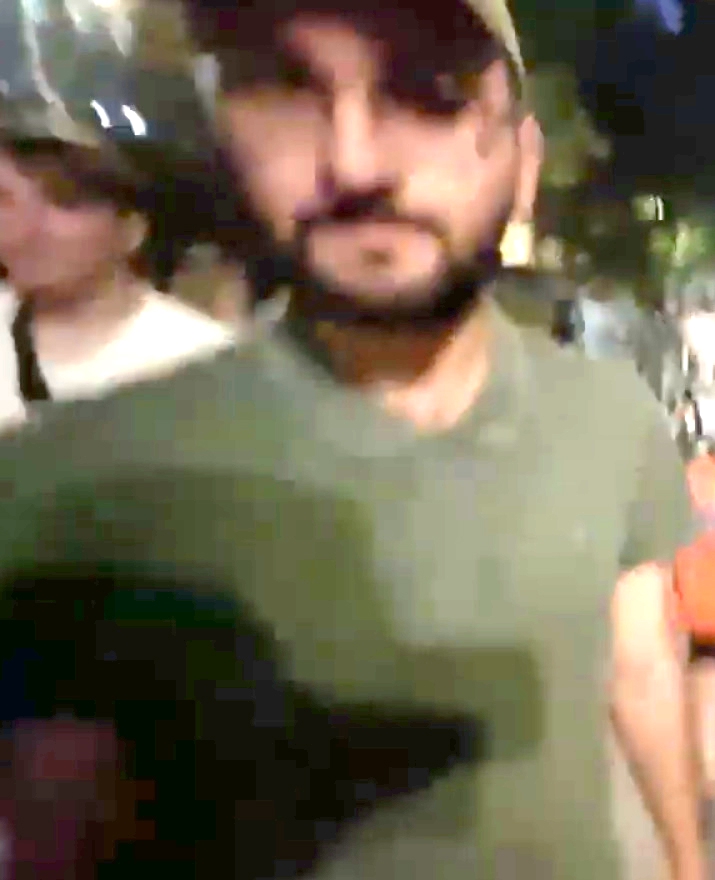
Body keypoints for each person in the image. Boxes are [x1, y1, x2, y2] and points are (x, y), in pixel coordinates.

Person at [0, 0, 703, 879]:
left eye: (426, 94)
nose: (354, 161)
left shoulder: (608, 417)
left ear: (523, 162)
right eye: (286, 92)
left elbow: (643, 667)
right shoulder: (82, 474)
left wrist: (687, 862)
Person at [0, 136, 234, 431]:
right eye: (5, 200)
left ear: (133, 229)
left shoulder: (198, 360)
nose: (26, 226)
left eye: (65, 202)